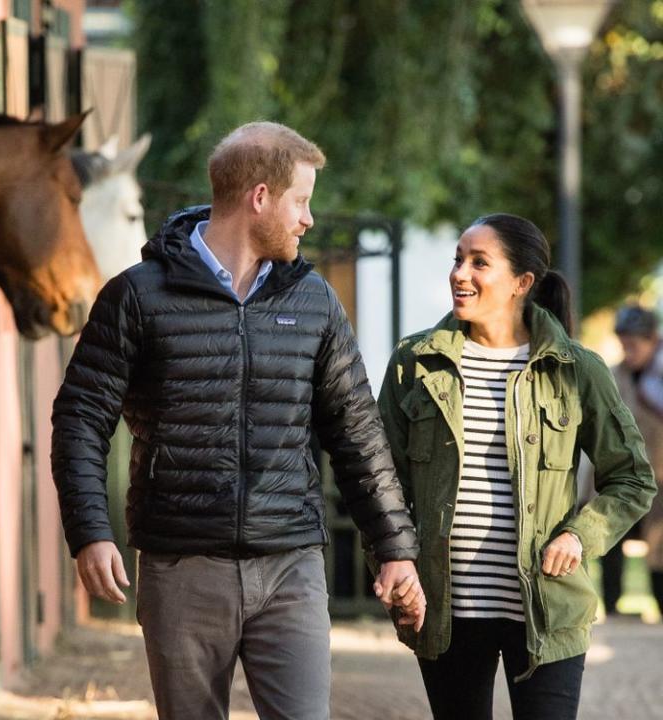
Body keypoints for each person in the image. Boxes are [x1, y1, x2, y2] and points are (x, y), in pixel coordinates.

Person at [51, 122, 424, 720]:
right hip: (181, 567)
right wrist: (91, 532)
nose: (308, 219)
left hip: (291, 566)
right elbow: (80, 417)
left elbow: (357, 433)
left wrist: (395, 549)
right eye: (300, 201)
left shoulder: (313, 302)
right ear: (259, 197)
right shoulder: (138, 297)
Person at [377, 213, 657, 720]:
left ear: (522, 283)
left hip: (547, 611)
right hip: (448, 613)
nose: (460, 273)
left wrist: (580, 536)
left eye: (479, 262)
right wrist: (392, 564)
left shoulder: (576, 369)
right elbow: (380, 482)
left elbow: (632, 478)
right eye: (458, 259)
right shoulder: (414, 363)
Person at [609, 305, 663, 616]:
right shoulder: (616, 376)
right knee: (611, 530)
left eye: (635, 344)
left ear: (653, 339)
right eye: (623, 344)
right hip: (626, 474)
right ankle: (613, 607)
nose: (628, 352)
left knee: (660, 548)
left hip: (660, 475)